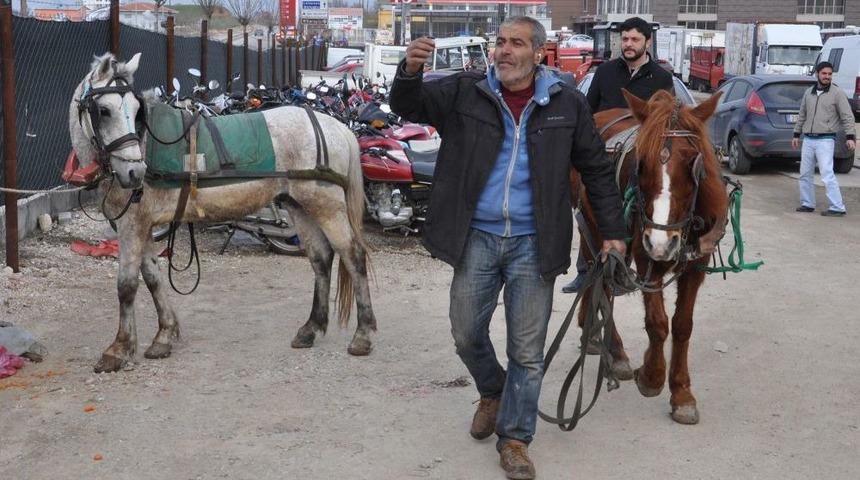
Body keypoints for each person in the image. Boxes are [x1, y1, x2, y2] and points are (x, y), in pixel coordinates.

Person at [390, 16, 627, 480]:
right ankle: (493, 389)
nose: (504, 50)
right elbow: (409, 105)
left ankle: (515, 438)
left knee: (527, 350)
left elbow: (597, 170)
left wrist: (613, 231)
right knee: (465, 332)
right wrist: (409, 71)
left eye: (516, 43)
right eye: (500, 42)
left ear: (538, 53)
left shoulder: (567, 104)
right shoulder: (467, 91)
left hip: (534, 242)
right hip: (476, 236)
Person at [561, 16, 675, 294]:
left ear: (647, 42)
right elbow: (588, 110)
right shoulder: (605, 72)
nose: (628, 44)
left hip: (637, 156)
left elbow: (666, 121)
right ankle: (585, 272)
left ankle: (624, 268)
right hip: (602, 152)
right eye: (625, 39)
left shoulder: (661, 78)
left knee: (635, 209)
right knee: (588, 207)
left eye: (635, 39)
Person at [792, 61, 854, 217]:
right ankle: (807, 203)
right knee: (805, 173)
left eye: (830, 74)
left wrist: (850, 137)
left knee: (826, 173)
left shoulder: (837, 93)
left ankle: (837, 207)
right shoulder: (809, 93)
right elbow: (802, 115)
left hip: (826, 139)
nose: (827, 76)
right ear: (817, 74)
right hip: (808, 139)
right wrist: (796, 134)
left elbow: (847, 116)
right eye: (824, 73)